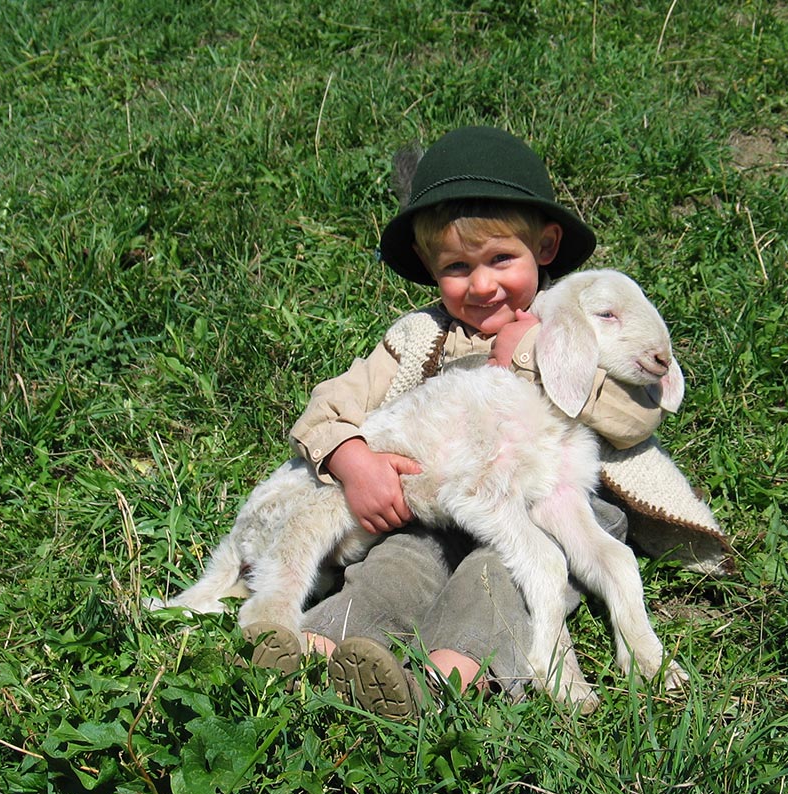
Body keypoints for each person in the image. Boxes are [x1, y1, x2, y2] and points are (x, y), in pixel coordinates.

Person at [243, 126, 685, 717]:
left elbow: (632, 417)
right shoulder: (418, 337)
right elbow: (328, 408)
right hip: (430, 504)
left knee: (499, 575)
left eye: (501, 259)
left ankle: (441, 676)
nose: (481, 285)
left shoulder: (570, 321)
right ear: (429, 264)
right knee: (398, 565)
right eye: (456, 266)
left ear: (546, 247)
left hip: (536, 503)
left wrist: (532, 352)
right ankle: (319, 648)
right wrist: (356, 463)